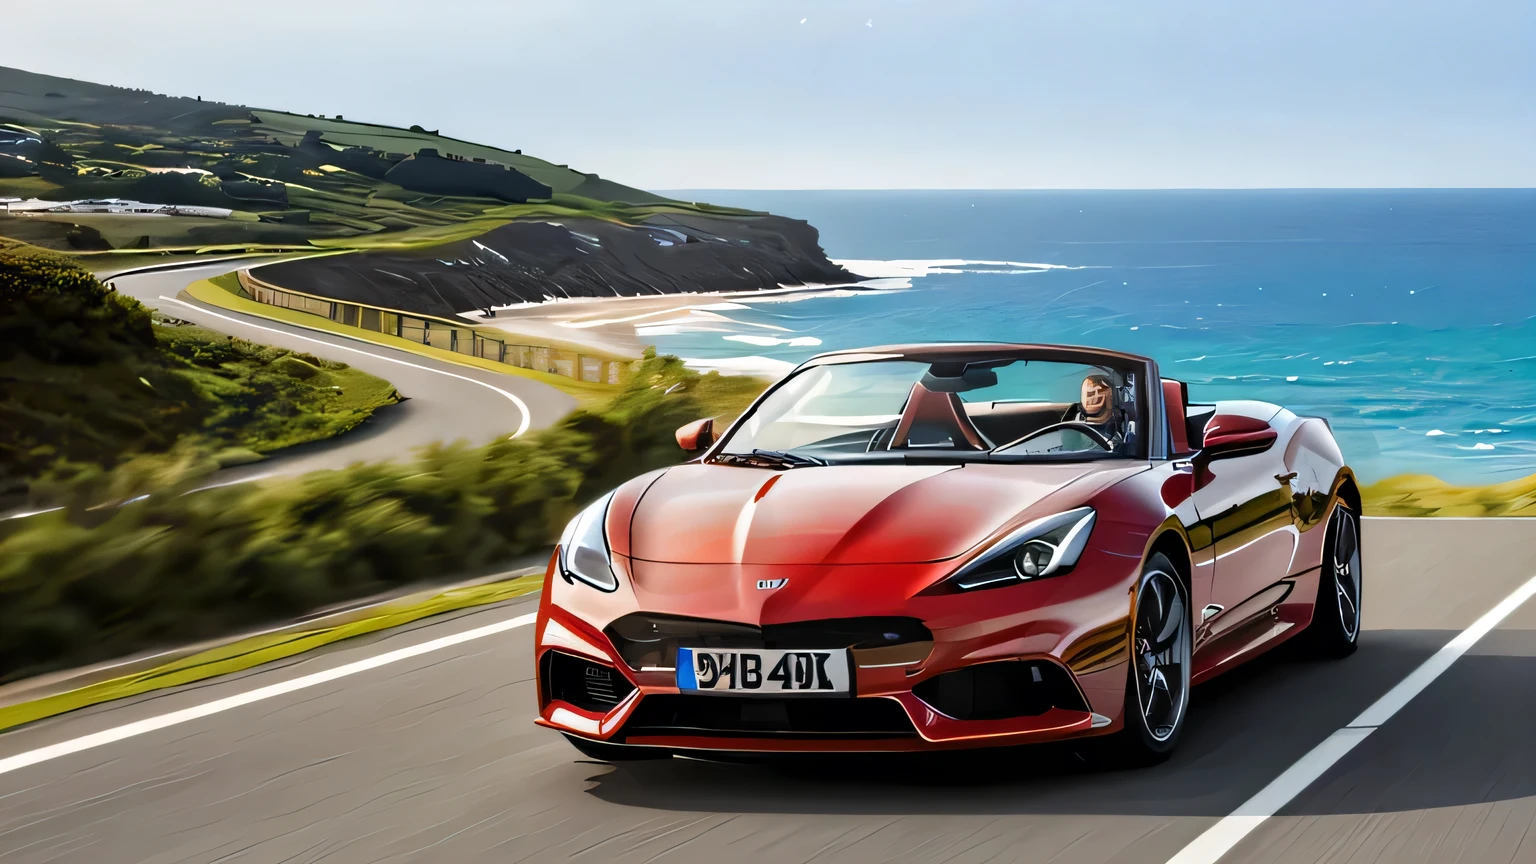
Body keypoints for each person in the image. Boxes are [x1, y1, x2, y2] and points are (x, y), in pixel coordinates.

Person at [1065, 373, 1125, 446]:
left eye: (1100, 392)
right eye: (1090, 394)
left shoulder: (1116, 419)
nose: (1095, 397)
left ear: (1110, 397)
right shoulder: (1072, 425)